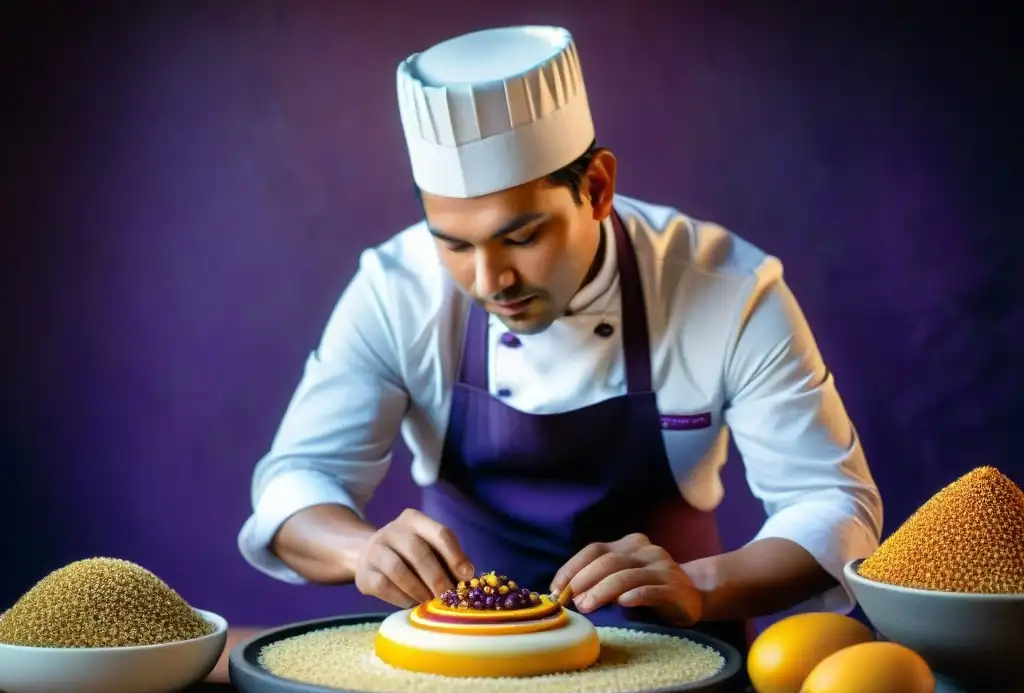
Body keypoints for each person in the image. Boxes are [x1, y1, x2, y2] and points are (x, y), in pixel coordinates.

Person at [237, 25, 882, 649]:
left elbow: (831, 502)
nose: (490, 280)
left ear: (597, 188)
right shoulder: (395, 289)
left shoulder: (730, 290)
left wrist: (699, 585)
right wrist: (361, 548)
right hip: (467, 663)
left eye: (522, 237)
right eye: (455, 244)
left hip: (676, 661)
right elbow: (297, 481)